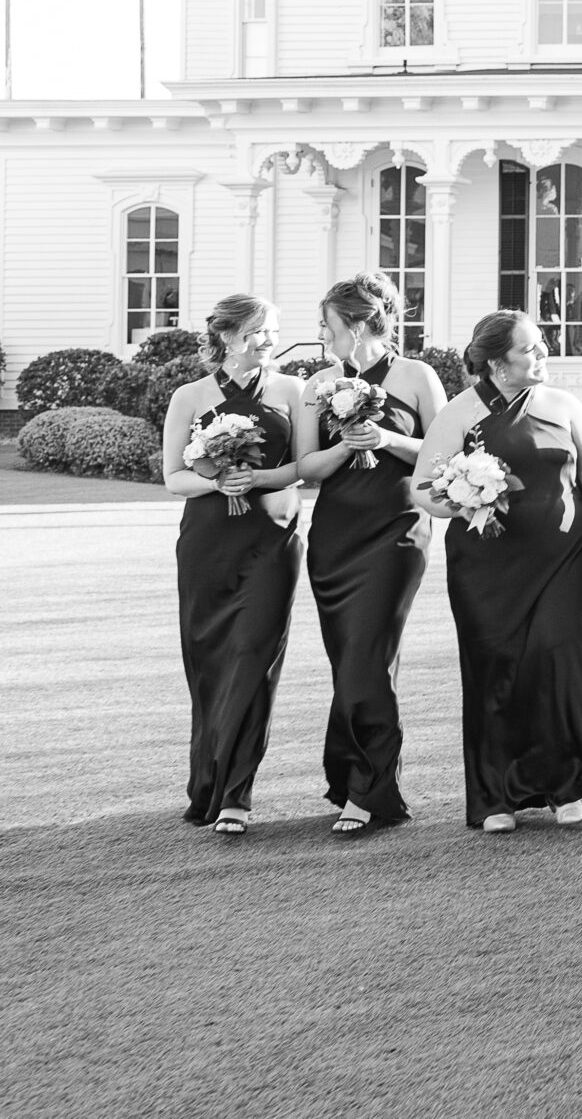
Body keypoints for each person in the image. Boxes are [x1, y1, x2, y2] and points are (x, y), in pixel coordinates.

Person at [412, 310, 582, 832]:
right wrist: (458, 500)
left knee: (559, 655)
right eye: (530, 348)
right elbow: (422, 487)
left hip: (563, 560)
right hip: (486, 568)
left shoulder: (564, 404)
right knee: (495, 668)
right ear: (498, 362)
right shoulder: (460, 412)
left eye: (541, 344)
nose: (542, 354)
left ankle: (565, 784)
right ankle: (495, 798)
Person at [292, 272, 445, 836]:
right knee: (350, 659)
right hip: (335, 535)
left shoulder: (417, 375)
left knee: (365, 655)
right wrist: (343, 447)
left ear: (357, 324)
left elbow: (444, 449)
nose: (322, 335)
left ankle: (368, 791)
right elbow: (306, 467)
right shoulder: (319, 383)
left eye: (328, 326)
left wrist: (387, 441)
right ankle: (351, 779)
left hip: (397, 531)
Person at [160, 293, 305, 836]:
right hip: (207, 544)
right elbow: (174, 476)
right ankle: (208, 784)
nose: (269, 341)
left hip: (272, 541)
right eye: (259, 332)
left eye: (273, 331)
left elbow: (303, 466)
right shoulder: (189, 396)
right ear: (227, 336)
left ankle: (236, 796)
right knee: (211, 664)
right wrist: (218, 480)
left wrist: (263, 478)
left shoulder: (293, 390)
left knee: (253, 658)